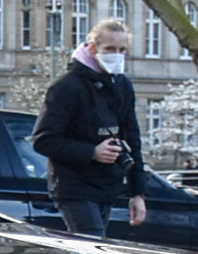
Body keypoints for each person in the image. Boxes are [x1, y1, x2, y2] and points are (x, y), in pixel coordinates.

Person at [31, 18, 147, 236]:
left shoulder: (121, 84)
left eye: (122, 50)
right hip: (75, 187)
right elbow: (43, 139)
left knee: (97, 250)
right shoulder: (67, 86)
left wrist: (138, 192)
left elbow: (133, 138)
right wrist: (92, 152)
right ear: (93, 49)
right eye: (110, 49)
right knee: (91, 246)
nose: (117, 55)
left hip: (108, 185)